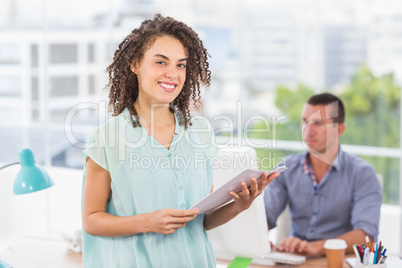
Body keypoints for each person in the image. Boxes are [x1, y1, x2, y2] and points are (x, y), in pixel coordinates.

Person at [82, 14, 278, 267]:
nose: (172, 74)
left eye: (181, 65)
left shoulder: (200, 132)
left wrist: (239, 206)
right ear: (134, 64)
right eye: (161, 62)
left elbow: (199, 220)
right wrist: (148, 222)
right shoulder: (108, 138)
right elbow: (91, 219)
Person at [263, 93, 382, 257]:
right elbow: (265, 217)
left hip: (337, 260)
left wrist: (317, 247)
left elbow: (365, 236)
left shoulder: (362, 174)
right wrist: (259, 238)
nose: (308, 131)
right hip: (294, 258)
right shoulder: (285, 168)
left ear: (339, 129)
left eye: (318, 123)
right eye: (305, 121)